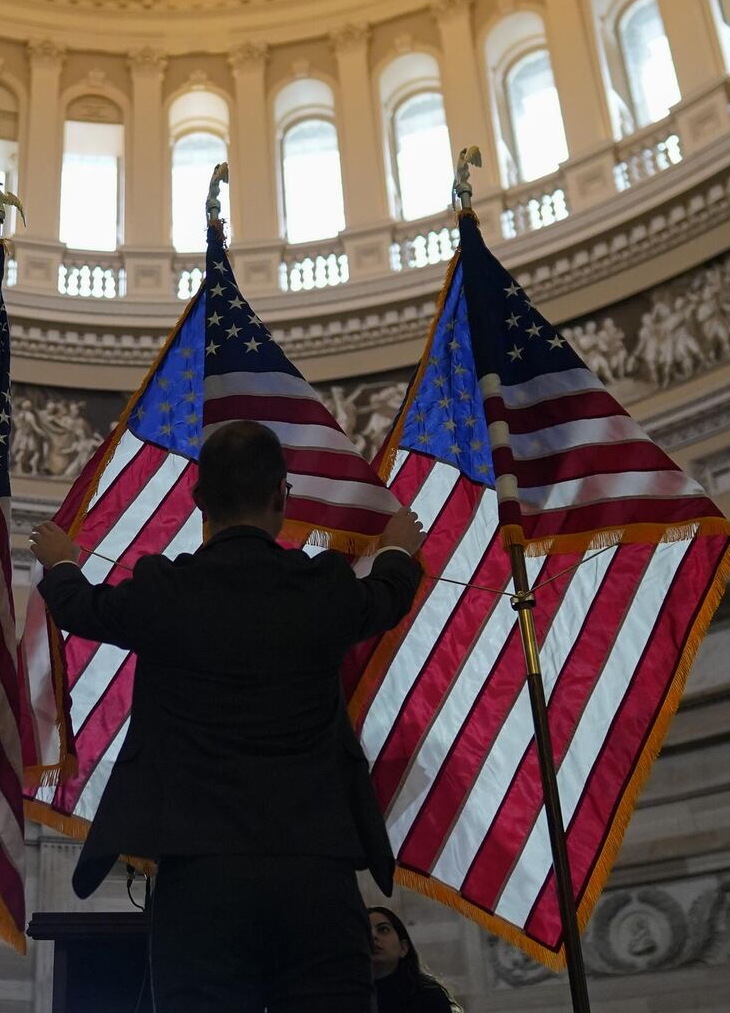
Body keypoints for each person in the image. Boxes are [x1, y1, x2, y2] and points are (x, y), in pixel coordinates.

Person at [29, 421, 426, 1013]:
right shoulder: (321, 588)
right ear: (281, 496)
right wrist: (396, 547)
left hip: (198, 874)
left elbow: (80, 608)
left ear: (199, 503)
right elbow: (388, 596)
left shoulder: (163, 590)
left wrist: (61, 563)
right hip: (314, 871)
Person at [369, 907, 461, 1013]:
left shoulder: (428, 997)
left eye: (383, 929)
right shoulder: (354, 998)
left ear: (403, 948)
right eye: (366, 931)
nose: (373, 936)